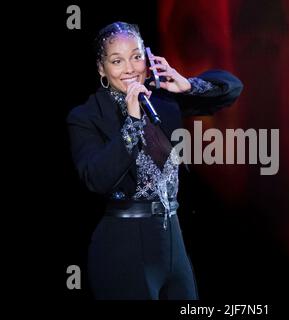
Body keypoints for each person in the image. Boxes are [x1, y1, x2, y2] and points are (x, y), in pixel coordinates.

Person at [67, 21, 242, 300]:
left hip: (173, 242)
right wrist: (133, 123)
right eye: (117, 61)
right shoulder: (86, 116)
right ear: (101, 68)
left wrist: (188, 85)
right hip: (123, 247)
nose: (130, 69)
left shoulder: (161, 98)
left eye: (136, 57)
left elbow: (232, 88)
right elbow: (95, 178)